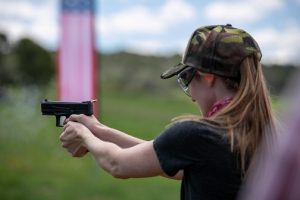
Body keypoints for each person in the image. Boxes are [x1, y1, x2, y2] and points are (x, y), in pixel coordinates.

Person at [60, 24, 276, 200]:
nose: (191, 95)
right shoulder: (264, 136)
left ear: (208, 77)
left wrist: (84, 135)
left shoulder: (199, 135)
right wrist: (99, 130)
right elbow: (164, 156)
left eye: (187, 79)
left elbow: (118, 164)